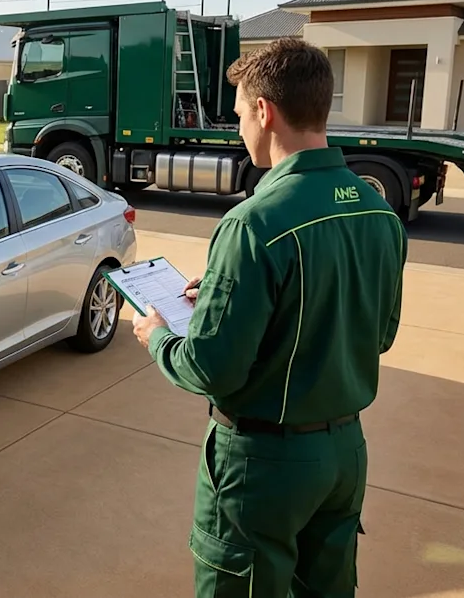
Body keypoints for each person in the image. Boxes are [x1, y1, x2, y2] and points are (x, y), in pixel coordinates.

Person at [131, 38, 407, 597]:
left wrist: (158, 335)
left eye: (239, 115)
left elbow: (212, 369)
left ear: (265, 111)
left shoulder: (253, 224)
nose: (239, 130)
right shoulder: (380, 214)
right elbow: (379, 334)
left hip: (262, 465)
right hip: (344, 454)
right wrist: (229, 295)